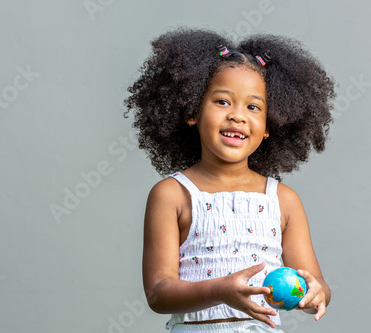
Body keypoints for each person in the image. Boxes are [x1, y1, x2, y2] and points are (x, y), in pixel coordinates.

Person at [123, 28, 335, 332]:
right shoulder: (171, 195)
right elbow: (158, 293)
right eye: (223, 101)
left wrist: (317, 291)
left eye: (253, 107)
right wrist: (220, 290)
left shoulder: (283, 201)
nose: (237, 116)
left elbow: (315, 283)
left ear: (268, 126)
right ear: (193, 110)